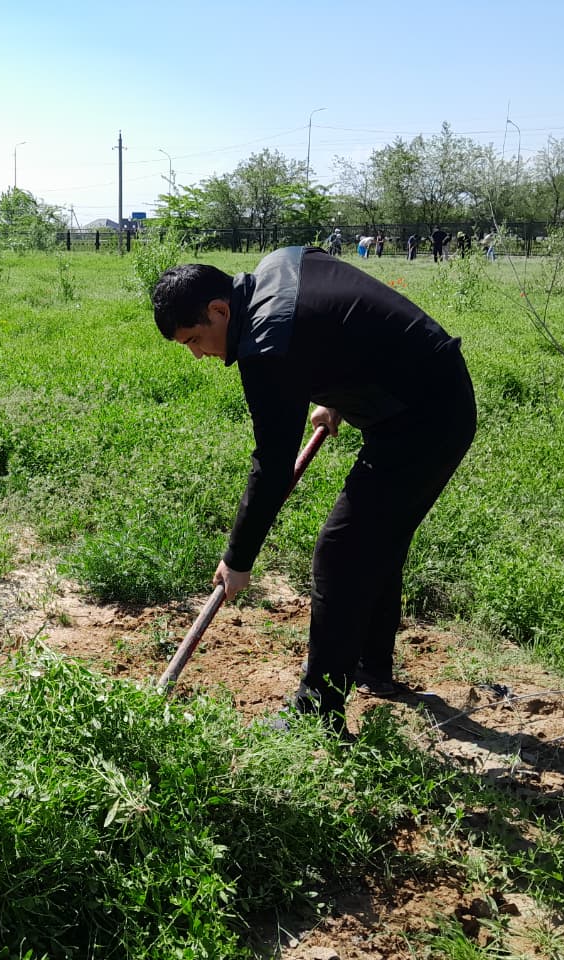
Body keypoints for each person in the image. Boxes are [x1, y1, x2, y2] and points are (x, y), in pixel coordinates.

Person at [151, 247, 476, 734]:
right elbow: (340, 322)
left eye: (196, 339)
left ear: (220, 310)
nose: (199, 354)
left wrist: (238, 560)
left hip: (424, 420)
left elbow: (273, 465)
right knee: (374, 538)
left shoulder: (266, 344)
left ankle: (318, 711)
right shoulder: (279, 265)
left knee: (341, 551)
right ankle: (371, 666)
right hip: (430, 390)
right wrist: (335, 392)